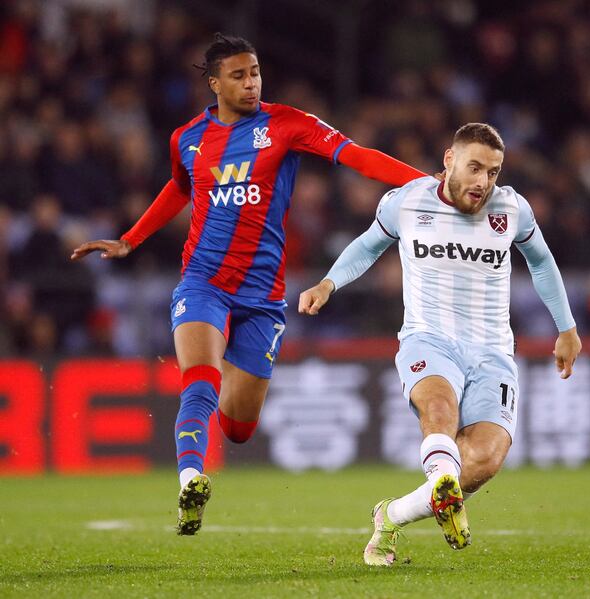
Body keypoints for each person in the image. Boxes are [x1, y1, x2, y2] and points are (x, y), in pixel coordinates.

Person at [71, 33, 426, 535]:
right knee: (200, 377)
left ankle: (205, 438)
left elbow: (359, 157)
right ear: (214, 83)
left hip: (262, 298)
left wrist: (429, 187)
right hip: (203, 282)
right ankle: (191, 478)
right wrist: (132, 240)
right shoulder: (187, 138)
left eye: (255, 72)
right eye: (238, 75)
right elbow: (179, 187)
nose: (251, 82)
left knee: (238, 429)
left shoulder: (287, 125)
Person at [298, 123, 581, 565]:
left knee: (484, 460)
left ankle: (392, 515)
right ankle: (440, 489)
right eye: (474, 168)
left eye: (493, 172)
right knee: (439, 411)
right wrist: (329, 283)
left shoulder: (512, 209)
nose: (483, 182)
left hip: (492, 352)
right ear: (449, 160)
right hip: (428, 339)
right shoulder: (406, 201)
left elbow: (541, 261)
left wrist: (566, 328)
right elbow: (368, 246)